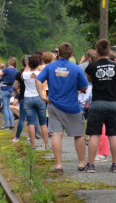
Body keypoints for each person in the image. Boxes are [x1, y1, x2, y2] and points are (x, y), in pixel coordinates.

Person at [35, 42, 89, 172]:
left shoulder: (50, 67)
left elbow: (37, 80)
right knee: (79, 134)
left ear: (58, 53)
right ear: (71, 54)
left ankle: (59, 164)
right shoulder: (75, 68)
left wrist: (42, 96)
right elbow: (85, 86)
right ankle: (81, 162)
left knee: (57, 135)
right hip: (72, 106)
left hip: (53, 105)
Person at [83, 39, 116, 173]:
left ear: (96, 50)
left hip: (97, 103)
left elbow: (90, 80)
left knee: (94, 134)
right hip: (113, 103)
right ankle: (115, 165)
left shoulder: (92, 66)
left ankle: (90, 165)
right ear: (109, 51)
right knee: (113, 135)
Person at [17, 55, 50, 149]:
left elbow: (22, 76)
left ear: (29, 64)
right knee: (43, 122)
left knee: (31, 123)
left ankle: (33, 145)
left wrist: (27, 66)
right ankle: (47, 145)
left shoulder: (25, 74)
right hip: (40, 98)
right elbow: (43, 71)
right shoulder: (41, 73)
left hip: (28, 98)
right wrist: (39, 64)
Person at [0, 57, 18, 129]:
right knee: (8, 108)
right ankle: (12, 124)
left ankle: (6, 124)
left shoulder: (6, 70)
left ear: (9, 62)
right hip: (10, 90)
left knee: (4, 108)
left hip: (4, 89)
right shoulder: (16, 71)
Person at [12, 54, 31, 141]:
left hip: (23, 97)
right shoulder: (34, 72)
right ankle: (34, 136)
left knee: (22, 118)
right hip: (33, 97)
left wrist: (19, 89)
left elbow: (16, 87)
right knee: (33, 118)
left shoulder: (19, 74)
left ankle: (17, 137)